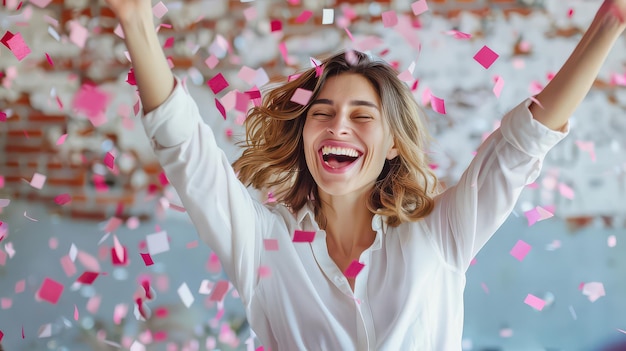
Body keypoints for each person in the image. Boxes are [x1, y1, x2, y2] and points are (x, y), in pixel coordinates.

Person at [105, 0, 626, 349]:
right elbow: (185, 151)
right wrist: (135, 21)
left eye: (362, 116)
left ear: (394, 143)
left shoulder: (440, 233)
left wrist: (609, 25)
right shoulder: (264, 244)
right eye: (322, 112)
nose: (338, 127)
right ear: (304, 132)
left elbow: (521, 143)